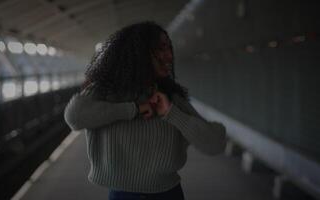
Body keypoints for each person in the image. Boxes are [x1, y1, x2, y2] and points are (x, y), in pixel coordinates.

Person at [64, 21, 226, 200]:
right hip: (122, 195)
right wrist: (133, 109)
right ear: (138, 53)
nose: (170, 56)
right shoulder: (104, 93)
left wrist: (171, 113)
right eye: (161, 49)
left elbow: (216, 143)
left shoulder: (171, 99)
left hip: (168, 194)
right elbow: (74, 116)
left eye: (169, 48)